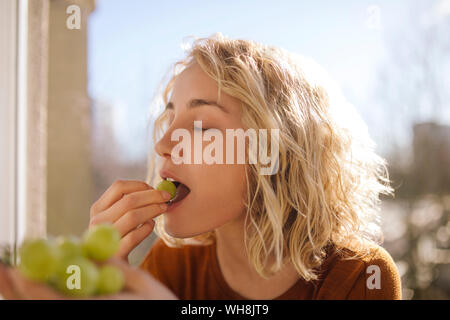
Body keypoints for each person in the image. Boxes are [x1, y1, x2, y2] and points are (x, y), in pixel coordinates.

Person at [0, 33, 402, 300]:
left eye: (201, 126)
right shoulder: (169, 266)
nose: (163, 144)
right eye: (168, 119)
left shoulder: (359, 276)